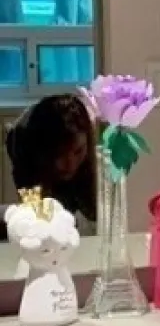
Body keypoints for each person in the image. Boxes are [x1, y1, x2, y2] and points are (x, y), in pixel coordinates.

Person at [5, 95, 97, 237]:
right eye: (61, 154)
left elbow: (94, 211)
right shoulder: (23, 145)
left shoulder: (87, 138)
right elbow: (38, 213)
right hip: (32, 157)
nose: (71, 163)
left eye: (78, 151)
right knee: (42, 218)